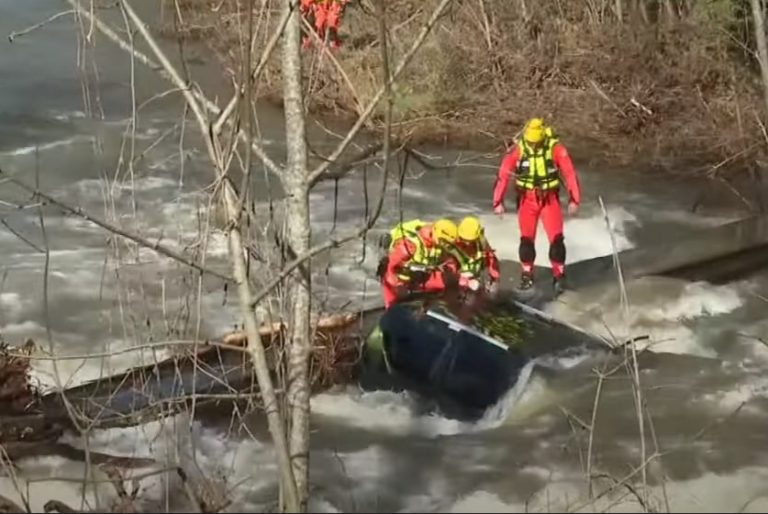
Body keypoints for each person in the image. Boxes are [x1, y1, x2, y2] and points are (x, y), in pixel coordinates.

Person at [492, 118, 582, 294]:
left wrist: (574, 199)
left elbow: (570, 174)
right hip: (527, 199)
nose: (534, 145)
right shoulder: (517, 150)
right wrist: (498, 202)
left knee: (556, 240)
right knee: (526, 240)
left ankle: (559, 275)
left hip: (549, 199)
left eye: (537, 142)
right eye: (532, 142)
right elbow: (503, 176)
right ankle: (527, 274)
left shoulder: (555, 148)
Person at [379, 218, 459, 309]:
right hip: (397, 279)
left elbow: (449, 260)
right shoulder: (410, 246)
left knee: (451, 281)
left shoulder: (437, 245)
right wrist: (399, 285)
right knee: (393, 310)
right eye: (444, 242)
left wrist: (452, 271)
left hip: (418, 276)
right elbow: (391, 269)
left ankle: (435, 306)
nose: (446, 246)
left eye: (448, 244)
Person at [452, 215, 501, 294]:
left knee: (477, 287)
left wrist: (494, 277)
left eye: (470, 240)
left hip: (476, 272)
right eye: (464, 239)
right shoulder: (453, 242)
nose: (467, 243)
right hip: (460, 273)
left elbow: (491, 259)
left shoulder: (482, 243)